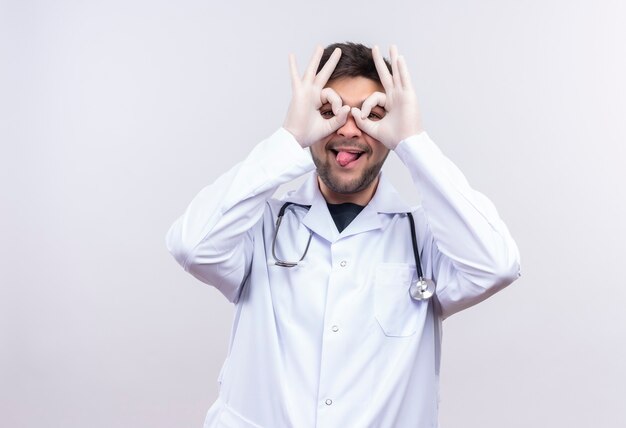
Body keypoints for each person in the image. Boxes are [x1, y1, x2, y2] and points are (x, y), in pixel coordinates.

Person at [166, 42, 521, 428]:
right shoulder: (260, 226)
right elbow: (191, 245)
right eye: (329, 112)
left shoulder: (425, 241)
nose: (349, 129)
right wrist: (289, 138)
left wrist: (414, 143)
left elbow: (496, 266)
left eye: (373, 115)